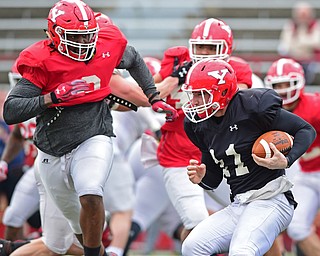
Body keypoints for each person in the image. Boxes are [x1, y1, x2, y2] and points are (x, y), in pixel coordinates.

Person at [2, 1, 177, 256]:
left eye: (88, 34)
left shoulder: (106, 45)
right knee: (62, 238)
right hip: (52, 151)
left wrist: (153, 95)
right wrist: (52, 97)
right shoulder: (40, 59)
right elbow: (11, 112)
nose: (84, 41)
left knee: (91, 191)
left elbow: (133, 59)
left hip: (94, 137)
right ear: (54, 34)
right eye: (76, 36)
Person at [180, 58, 316, 256]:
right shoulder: (200, 125)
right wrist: (202, 178)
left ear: (223, 92)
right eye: (192, 95)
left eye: (201, 94)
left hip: (272, 200)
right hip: (239, 204)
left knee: (242, 250)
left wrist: (286, 159)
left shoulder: (252, 106)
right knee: (193, 247)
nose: (194, 101)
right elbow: (214, 179)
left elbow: (305, 130)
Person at [151, 18, 253, 244]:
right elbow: (148, 92)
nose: (205, 53)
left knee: (254, 214)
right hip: (179, 158)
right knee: (197, 224)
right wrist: (175, 77)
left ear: (226, 49)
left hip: (221, 158)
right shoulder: (177, 62)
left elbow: (238, 100)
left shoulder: (237, 70)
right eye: (200, 47)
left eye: (211, 48)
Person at [264, 57, 320, 256]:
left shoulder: (314, 105)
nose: (283, 89)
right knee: (297, 227)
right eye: (278, 85)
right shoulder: (268, 112)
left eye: (287, 84)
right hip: (306, 175)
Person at [277, 1, 320, 85]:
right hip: (295, 59)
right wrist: (306, 43)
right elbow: (285, 47)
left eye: (305, 15)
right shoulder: (290, 26)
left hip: (312, 60)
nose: (303, 18)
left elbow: (317, 44)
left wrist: (299, 42)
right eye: (301, 15)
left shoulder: (317, 26)